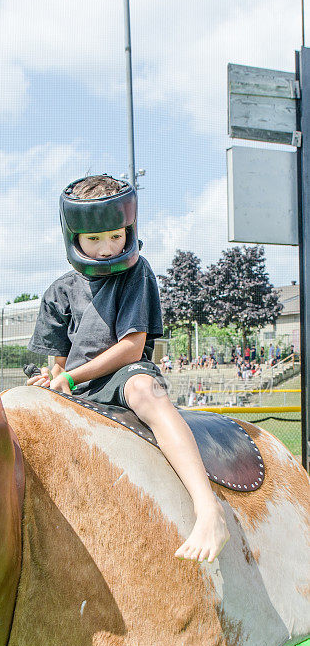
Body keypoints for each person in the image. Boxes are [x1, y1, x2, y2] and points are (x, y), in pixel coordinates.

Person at [27, 175, 229, 563]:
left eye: (115, 236)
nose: (107, 249)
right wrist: (54, 380)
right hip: (79, 383)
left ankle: (208, 509)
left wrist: (69, 376)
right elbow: (59, 363)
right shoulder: (57, 292)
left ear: (130, 228)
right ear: (74, 236)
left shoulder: (137, 272)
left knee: (144, 391)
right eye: (94, 239)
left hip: (124, 375)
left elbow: (131, 346)